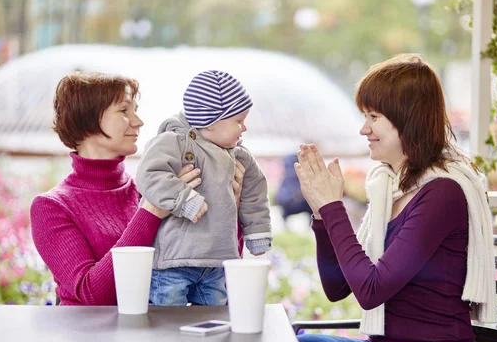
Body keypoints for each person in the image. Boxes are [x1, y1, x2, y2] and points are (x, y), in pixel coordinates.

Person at [294, 54, 497, 342]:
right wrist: (322, 215)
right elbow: (337, 288)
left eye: (373, 116)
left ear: (406, 118)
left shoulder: (442, 193)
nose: (364, 129)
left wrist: (333, 207)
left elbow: (371, 290)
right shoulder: (390, 186)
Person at [30, 72, 245, 306]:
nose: (138, 121)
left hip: (151, 337)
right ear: (86, 119)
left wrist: (229, 207)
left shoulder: (155, 188)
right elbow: (92, 295)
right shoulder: (51, 207)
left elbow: (212, 274)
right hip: (87, 340)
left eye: (135, 109)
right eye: (124, 111)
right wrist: (151, 211)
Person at [136, 70, 272, 307]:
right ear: (210, 122)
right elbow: (150, 174)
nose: (244, 128)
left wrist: (257, 231)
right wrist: (184, 198)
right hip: (174, 261)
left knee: (216, 323)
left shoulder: (239, 155)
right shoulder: (175, 142)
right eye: (238, 121)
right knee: (168, 324)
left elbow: (255, 193)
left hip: (216, 263)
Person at [275, 153, 312, 221]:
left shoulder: (300, 176)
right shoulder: (288, 178)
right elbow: (279, 198)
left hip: (299, 203)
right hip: (289, 204)